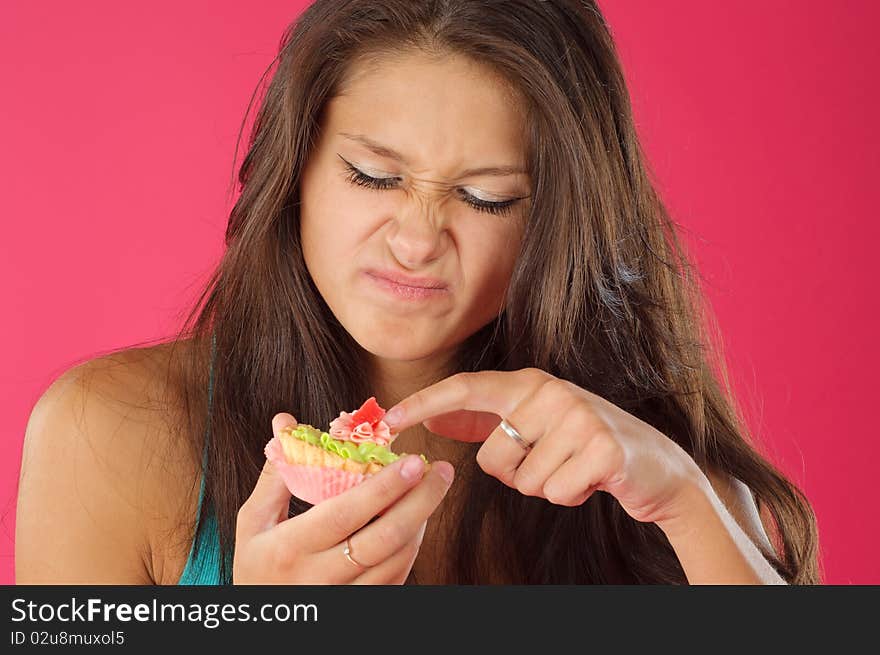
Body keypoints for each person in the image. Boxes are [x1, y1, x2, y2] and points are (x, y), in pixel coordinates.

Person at [16, 0, 820, 585]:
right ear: (293, 172)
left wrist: (683, 495)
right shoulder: (107, 435)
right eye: (373, 176)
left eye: (487, 197)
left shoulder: (654, 474)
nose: (415, 240)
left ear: (559, 221)